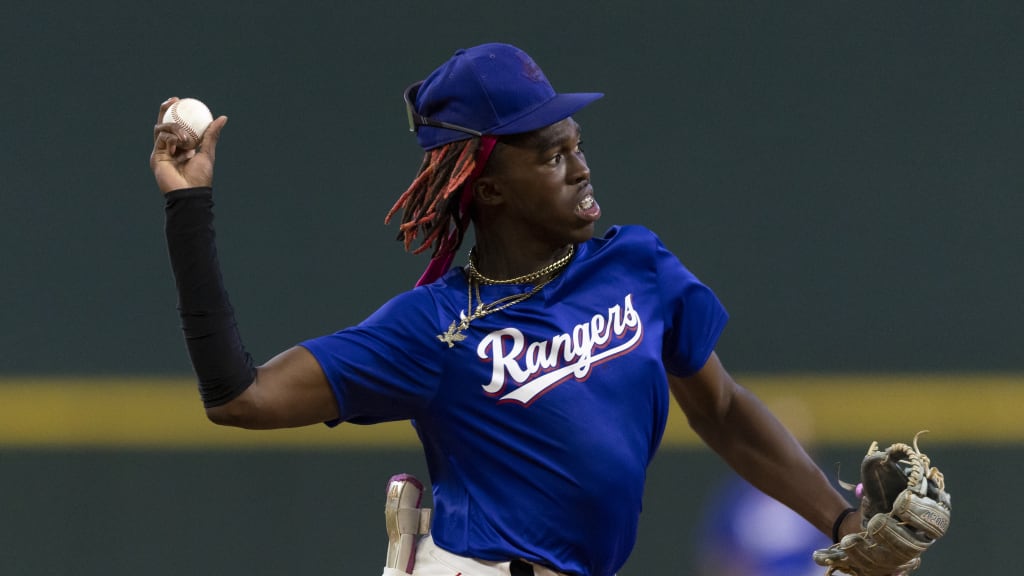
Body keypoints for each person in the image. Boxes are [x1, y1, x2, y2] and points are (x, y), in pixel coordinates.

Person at [149, 43, 862, 576]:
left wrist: (845, 523)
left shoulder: (636, 267)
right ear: (489, 188)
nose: (581, 167)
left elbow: (723, 409)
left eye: (577, 144)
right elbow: (239, 398)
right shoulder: (434, 327)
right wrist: (188, 206)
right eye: (551, 156)